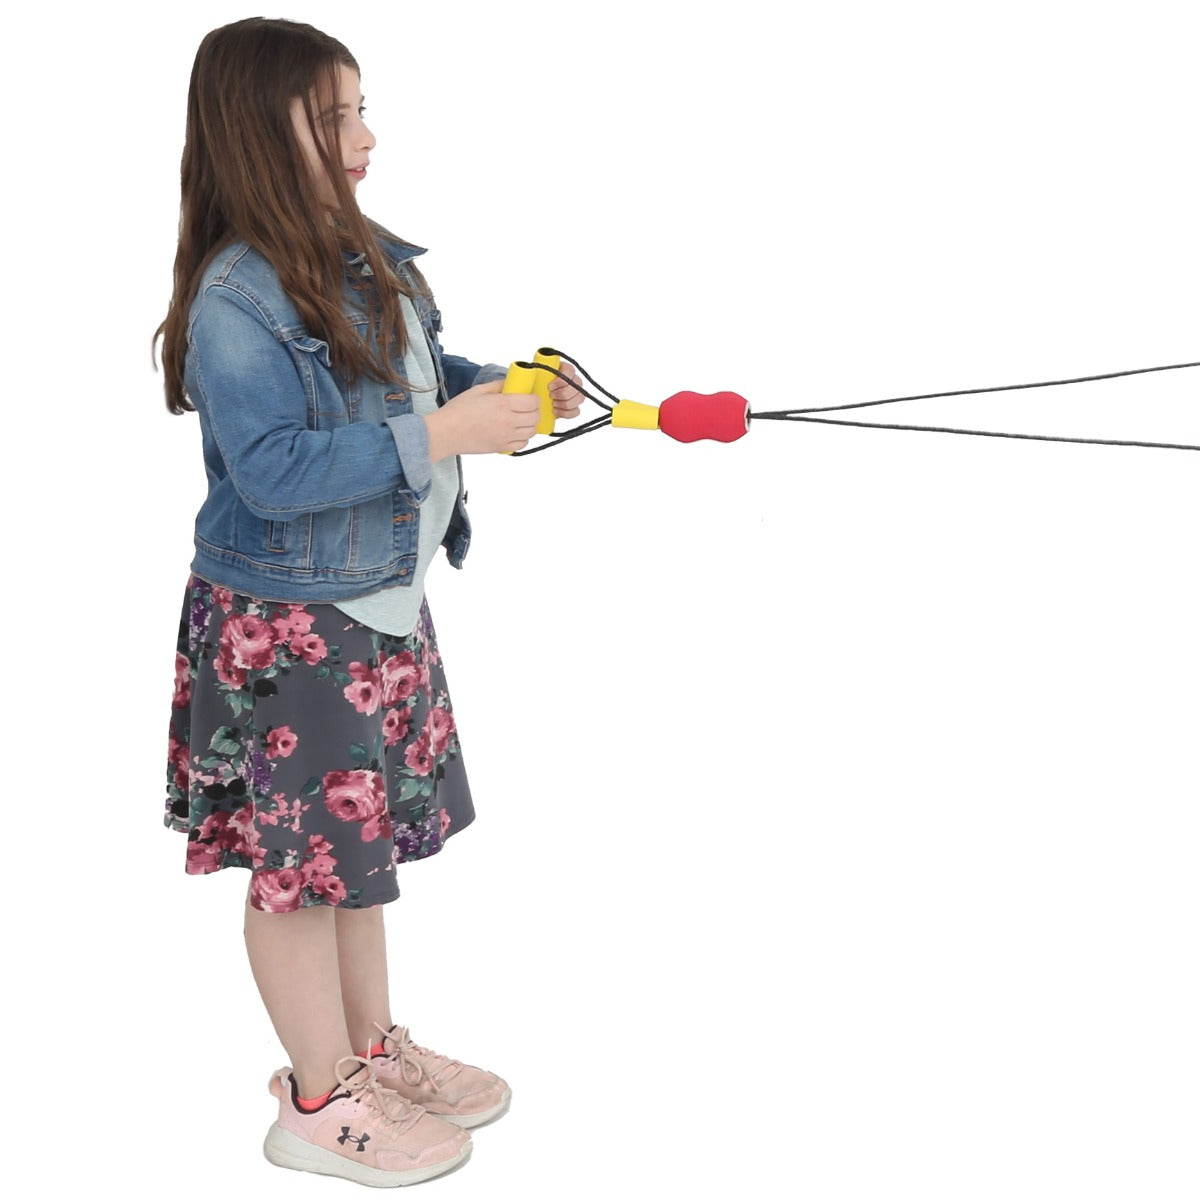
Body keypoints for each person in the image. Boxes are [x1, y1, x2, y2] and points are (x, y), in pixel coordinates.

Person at [156, 17, 582, 1188]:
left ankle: (366, 1051)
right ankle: (313, 1098)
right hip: (288, 627)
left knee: (350, 855)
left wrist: (497, 392)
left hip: (375, 608)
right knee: (297, 870)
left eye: (359, 109)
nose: (367, 136)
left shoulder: (365, 258)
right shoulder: (236, 300)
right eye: (335, 115)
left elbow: (412, 380)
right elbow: (276, 471)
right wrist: (441, 433)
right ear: (258, 130)